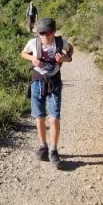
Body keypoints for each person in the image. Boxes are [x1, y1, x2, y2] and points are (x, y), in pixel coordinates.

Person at [20, 17, 73, 168]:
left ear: (54, 32)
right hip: (37, 82)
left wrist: (66, 58)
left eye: (48, 32)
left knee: (54, 117)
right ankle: (43, 146)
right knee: (39, 116)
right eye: (41, 33)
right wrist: (32, 58)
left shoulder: (60, 42)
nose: (45, 36)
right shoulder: (33, 43)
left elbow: (70, 50)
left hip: (54, 82)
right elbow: (23, 53)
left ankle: (53, 150)